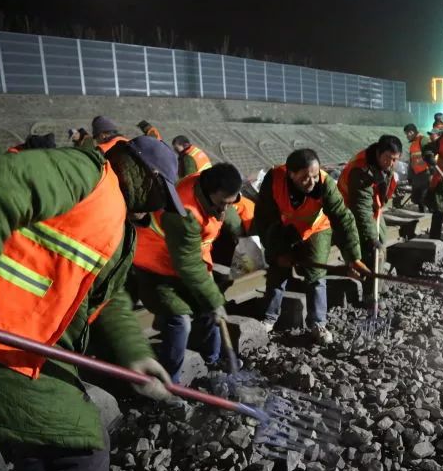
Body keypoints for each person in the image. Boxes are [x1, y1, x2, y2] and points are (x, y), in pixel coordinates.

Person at [0, 136, 180, 471]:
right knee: (81, 442)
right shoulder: (86, 174)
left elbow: (106, 305)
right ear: (149, 178)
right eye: (162, 195)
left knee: (44, 449)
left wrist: (135, 357)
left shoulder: (114, 218)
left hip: (28, 343)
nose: (159, 209)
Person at [132, 163, 246, 383]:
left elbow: (224, 216)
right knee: (180, 321)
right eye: (222, 204)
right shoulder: (184, 213)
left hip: (183, 261)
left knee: (208, 309)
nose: (224, 210)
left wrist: (240, 232)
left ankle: (213, 361)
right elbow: (189, 265)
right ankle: (169, 382)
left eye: (230, 204)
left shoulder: (207, 185)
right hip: (155, 266)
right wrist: (214, 300)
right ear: (209, 192)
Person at [255, 149, 369, 344]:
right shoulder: (274, 179)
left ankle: (318, 323)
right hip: (286, 226)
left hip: (317, 228)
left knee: (315, 272)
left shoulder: (325, 184)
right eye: (305, 178)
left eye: (315, 176)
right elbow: (264, 219)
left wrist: (353, 258)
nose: (312, 182)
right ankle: (269, 318)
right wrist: (277, 251)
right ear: (291, 174)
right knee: (278, 269)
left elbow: (343, 219)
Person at [338, 136, 401, 308]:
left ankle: (376, 286)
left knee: (382, 242)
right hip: (347, 209)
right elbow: (361, 210)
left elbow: (380, 195)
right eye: (387, 158)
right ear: (379, 153)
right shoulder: (361, 171)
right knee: (373, 248)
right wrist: (371, 238)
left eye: (395, 159)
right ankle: (370, 296)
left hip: (372, 208)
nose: (390, 163)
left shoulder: (384, 165)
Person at [404, 124, 429, 212]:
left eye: (407, 134)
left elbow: (430, 155)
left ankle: (425, 213)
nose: (407, 136)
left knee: (423, 197)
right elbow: (412, 161)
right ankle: (422, 211)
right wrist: (410, 176)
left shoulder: (423, 140)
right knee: (416, 197)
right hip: (417, 174)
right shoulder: (413, 144)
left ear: (412, 132)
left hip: (425, 173)